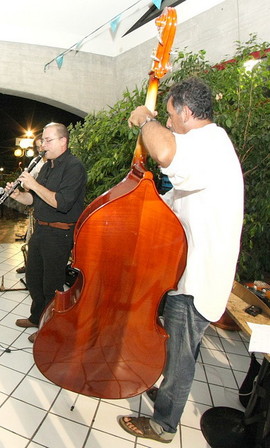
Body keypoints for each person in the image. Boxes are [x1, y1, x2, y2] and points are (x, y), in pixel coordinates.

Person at [118, 78, 244, 443]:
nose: (169, 123)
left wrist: (145, 120)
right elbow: (172, 205)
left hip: (199, 280)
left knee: (182, 354)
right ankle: (169, 393)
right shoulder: (206, 149)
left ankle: (163, 425)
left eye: (171, 115)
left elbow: (167, 153)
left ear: (187, 113)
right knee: (176, 348)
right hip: (184, 271)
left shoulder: (210, 145)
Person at [8, 122, 86, 343]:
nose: (43, 144)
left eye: (48, 140)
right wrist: (18, 196)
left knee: (51, 284)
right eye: (42, 140)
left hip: (59, 234)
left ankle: (50, 326)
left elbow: (61, 202)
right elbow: (33, 199)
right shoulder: (47, 166)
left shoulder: (74, 167)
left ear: (63, 141)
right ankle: (36, 317)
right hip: (41, 229)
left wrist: (32, 183)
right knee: (33, 279)